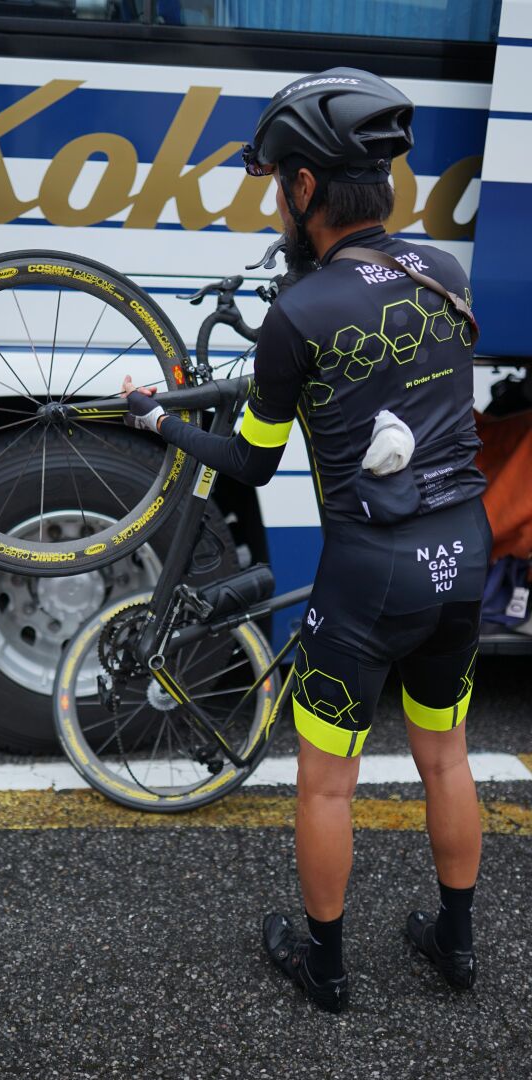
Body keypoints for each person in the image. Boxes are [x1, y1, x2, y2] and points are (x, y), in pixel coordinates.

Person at [122, 67, 491, 1014]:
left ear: (303, 187)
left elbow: (250, 464)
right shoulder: (442, 271)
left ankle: (324, 966)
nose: (275, 202)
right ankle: (456, 947)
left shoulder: (298, 314)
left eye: (276, 181)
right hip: (464, 557)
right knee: (444, 756)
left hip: (370, 575)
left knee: (329, 783)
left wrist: (160, 423)